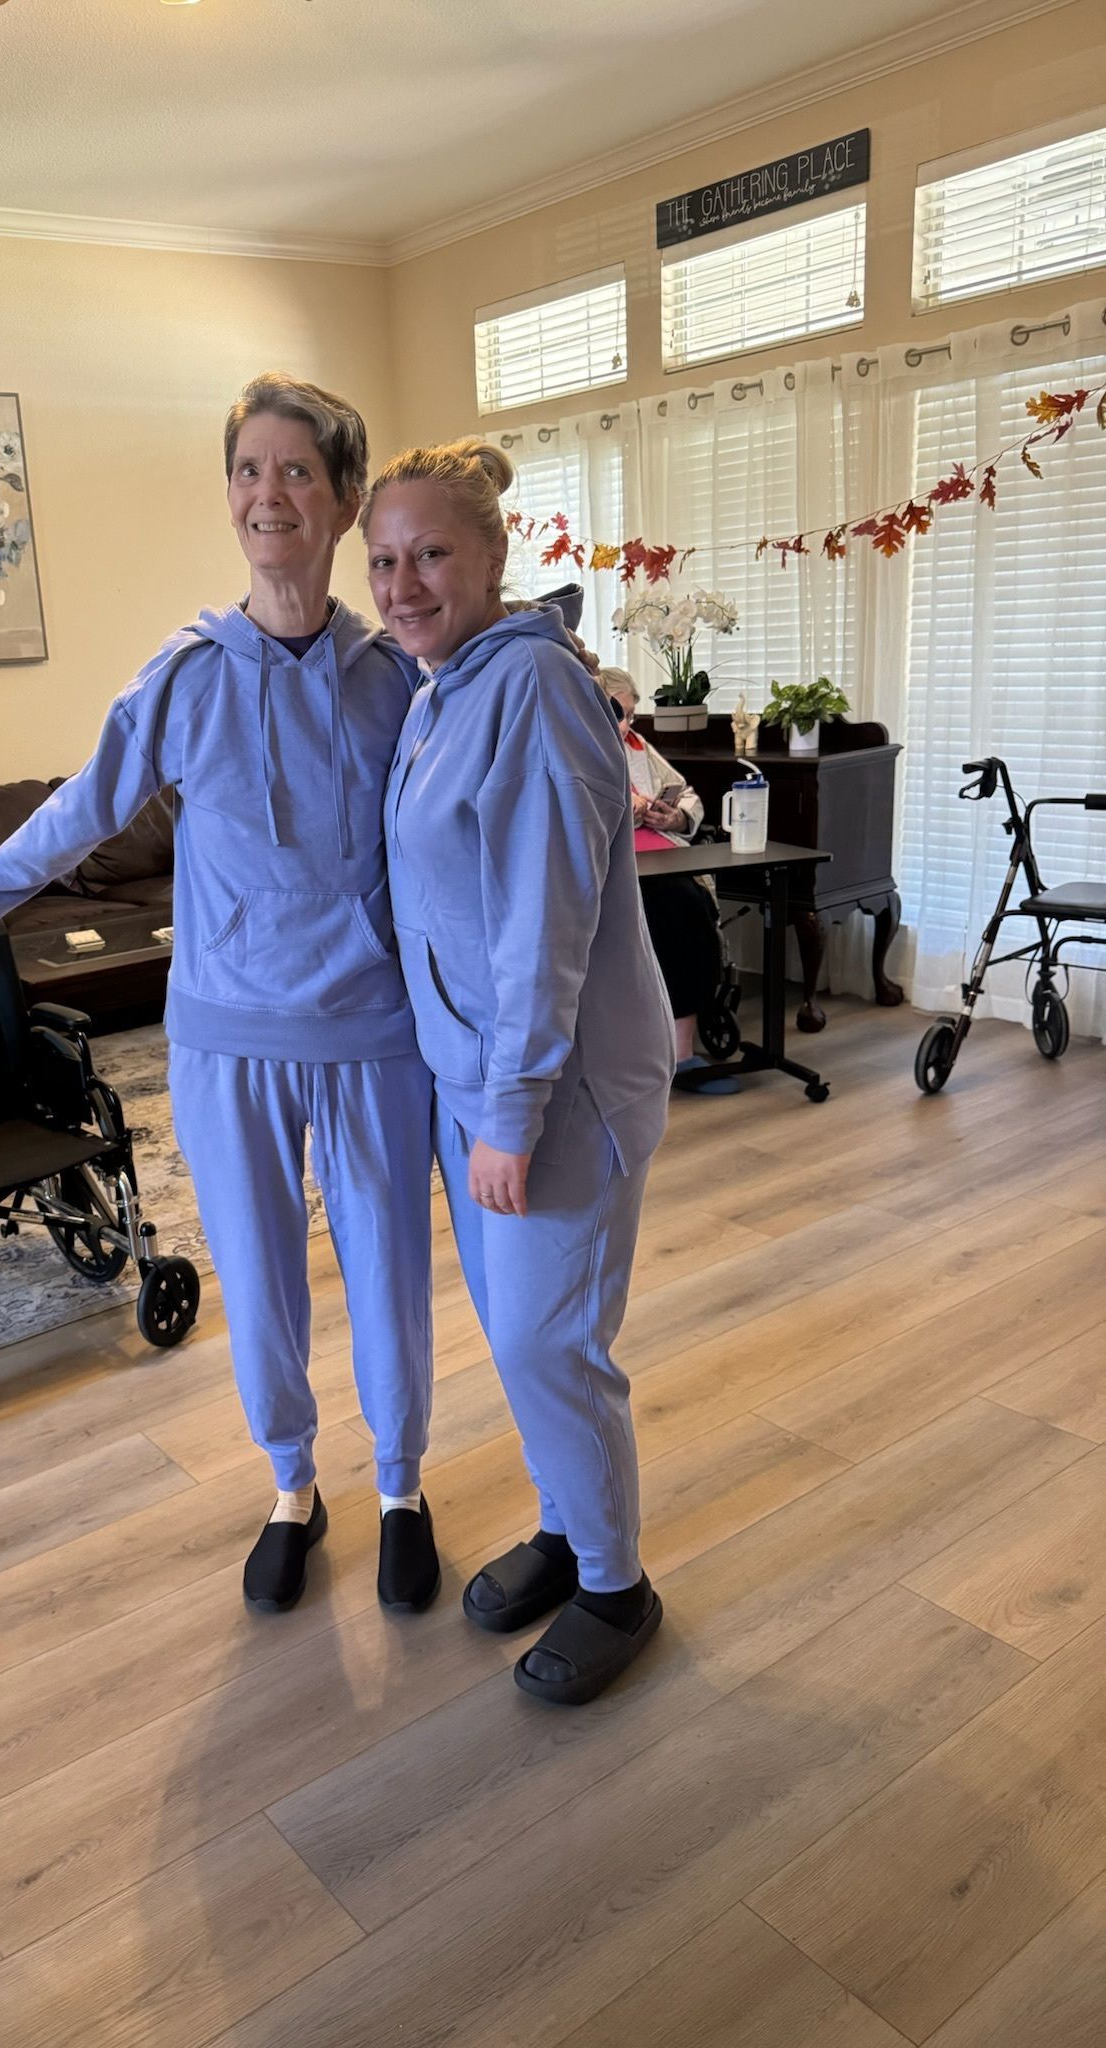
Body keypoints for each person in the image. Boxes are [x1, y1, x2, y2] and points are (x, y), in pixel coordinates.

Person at [0, 373, 440, 1618]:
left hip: (374, 1036)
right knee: (259, 1274)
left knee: (392, 1271)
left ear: (345, 500)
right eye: (247, 471)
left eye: (296, 471)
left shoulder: (398, 674)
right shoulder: (184, 676)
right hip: (228, 1039)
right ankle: (293, 1486)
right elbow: (71, 820)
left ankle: (402, 1486)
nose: (267, 494)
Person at [362, 439, 673, 1706]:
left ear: (494, 554)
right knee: (522, 1339)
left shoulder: (535, 689)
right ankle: (566, 1521)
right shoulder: (439, 686)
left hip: (559, 1086)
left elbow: (542, 927)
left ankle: (616, 1583)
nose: (403, 583)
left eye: (432, 553)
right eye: (383, 560)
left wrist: (511, 1109)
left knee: (553, 1341)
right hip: (475, 1078)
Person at [603, 668, 735, 1092]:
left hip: (663, 854)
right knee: (676, 910)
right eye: (620, 714)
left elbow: (685, 791)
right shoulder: (574, 747)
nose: (628, 725)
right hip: (616, 863)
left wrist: (673, 815)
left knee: (693, 910)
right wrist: (626, 808)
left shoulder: (638, 748)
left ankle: (682, 1050)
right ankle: (661, 1050)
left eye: (631, 715)